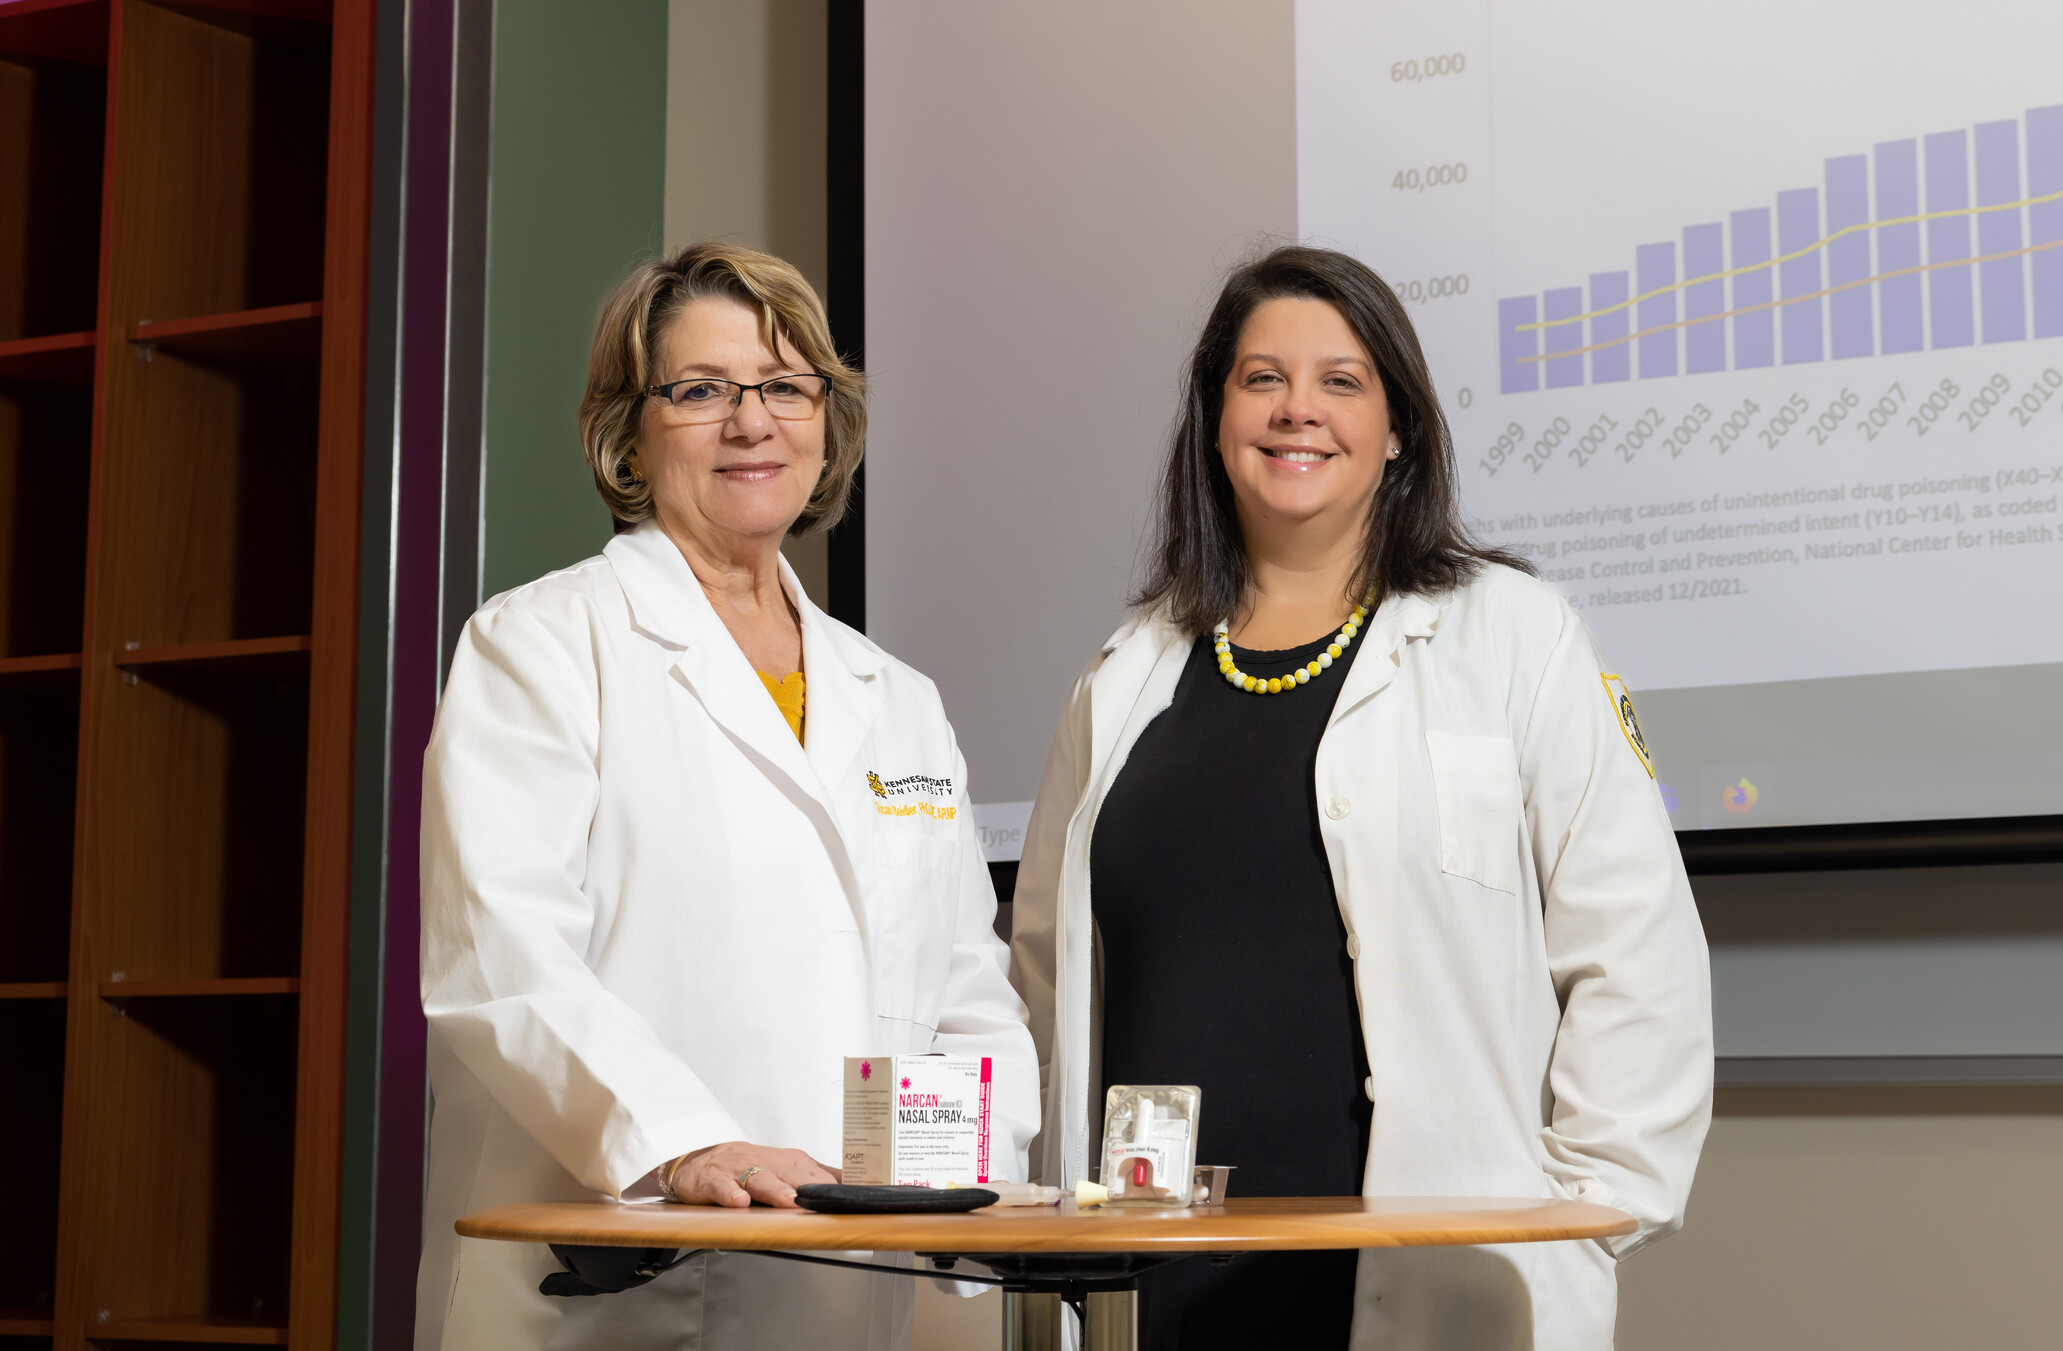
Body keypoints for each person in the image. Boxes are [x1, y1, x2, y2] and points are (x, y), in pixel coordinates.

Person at [1009, 246, 1712, 1350]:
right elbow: (1045, 977)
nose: (1298, 409)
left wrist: (1587, 1214)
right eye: (1261, 379)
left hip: (1433, 1278)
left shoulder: (1514, 635)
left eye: (1341, 380)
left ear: (1398, 430)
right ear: (1215, 423)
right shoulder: (1123, 672)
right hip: (1156, 1286)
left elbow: (1639, 949)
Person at [416, 242, 1037, 1351]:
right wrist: (684, 1141)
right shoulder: (542, 645)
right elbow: (503, 962)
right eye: (701, 391)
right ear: (630, 432)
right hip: (623, 1284)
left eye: (785, 386)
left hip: (853, 1280)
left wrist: (963, 1179)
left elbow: (964, 993)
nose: (752, 422)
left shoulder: (894, 698)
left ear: (826, 420)